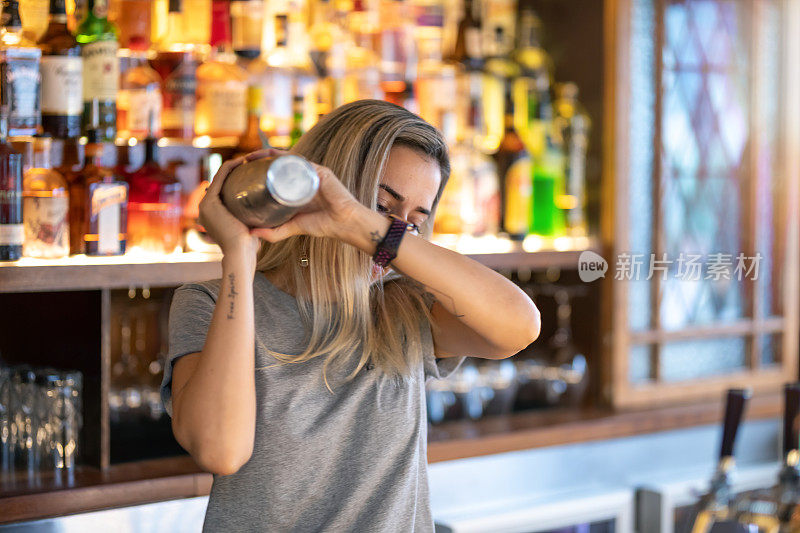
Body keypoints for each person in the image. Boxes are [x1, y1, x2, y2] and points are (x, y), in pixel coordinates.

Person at [160, 100, 541, 531]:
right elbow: (220, 450)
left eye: (413, 224)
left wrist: (360, 223)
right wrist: (239, 258)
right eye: (381, 204)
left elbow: (520, 326)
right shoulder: (209, 303)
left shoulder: (406, 305)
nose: (393, 231)